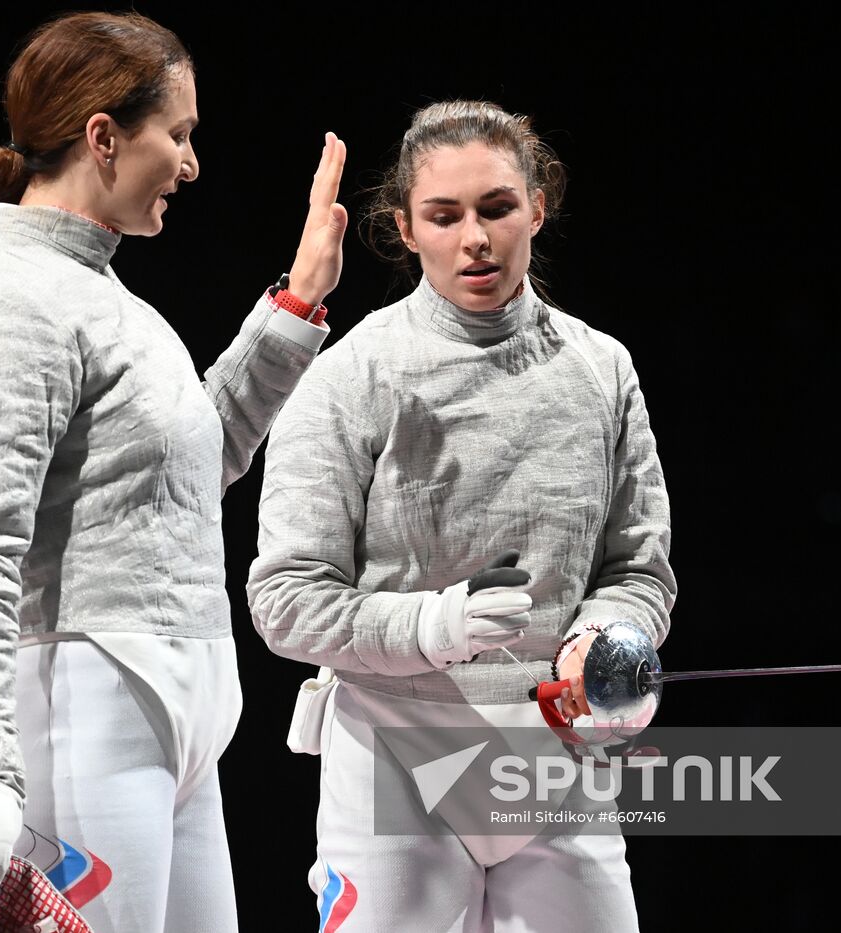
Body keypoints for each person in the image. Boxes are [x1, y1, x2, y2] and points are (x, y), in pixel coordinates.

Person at [0, 12, 347, 933]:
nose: (191, 164)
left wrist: (298, 299)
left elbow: (194, 464)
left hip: (171, 718)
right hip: (82, 709)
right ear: (103, 136)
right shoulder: (8, 301)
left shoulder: (111, 301)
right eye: (179, 135)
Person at [247, 100, 675, 932]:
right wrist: (436, 623)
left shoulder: (602, 369)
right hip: (397, 751)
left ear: (537, 209)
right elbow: (286, 599)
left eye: (496, 208)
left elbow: (637, 568)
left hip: (556, 752)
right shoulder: (352, 375)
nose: (474, 237)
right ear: (405, 228)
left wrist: (603, 635)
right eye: (444, 216)